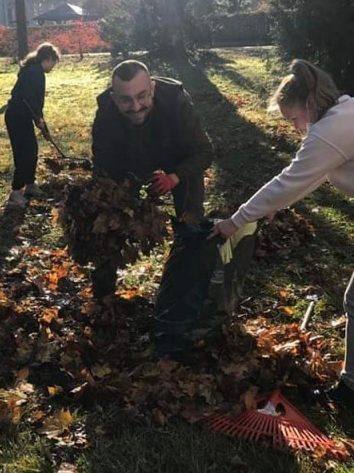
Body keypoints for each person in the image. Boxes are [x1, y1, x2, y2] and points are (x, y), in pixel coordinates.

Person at [210, 58, 354, 407]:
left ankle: (351, 390)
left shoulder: (328, 131)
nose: (293, 128)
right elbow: (310, 178)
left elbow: (289, 181)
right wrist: (274, 206)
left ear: (308, 103)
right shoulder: (344, 111)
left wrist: (235, 221)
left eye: (292, 119)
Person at [91, 59, 213, 297]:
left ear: (153, 88)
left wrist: (174, 178)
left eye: (142, 96)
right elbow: (103, 168)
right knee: (107, 218)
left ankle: (186, 286)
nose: (135, 107)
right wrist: (119, 195)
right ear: (114, 98)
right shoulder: (105, 114)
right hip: (129, 162)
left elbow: (204, 152)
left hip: (178, 159)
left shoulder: (177, 101)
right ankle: (103, 295)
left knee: (192, 222)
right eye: (125, 100)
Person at [4, 42, 60, 208]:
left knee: (32, 150)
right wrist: (37, 119)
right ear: (48, 58)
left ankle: (30, 184)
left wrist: (44, 127)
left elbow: (35, 103)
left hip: (21, 116)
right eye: (54, 62)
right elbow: (29, 100)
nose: (53, 67)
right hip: (17, 117)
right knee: (24, 153)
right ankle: (15, 193)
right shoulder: (35, 72)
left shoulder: (33, 69)